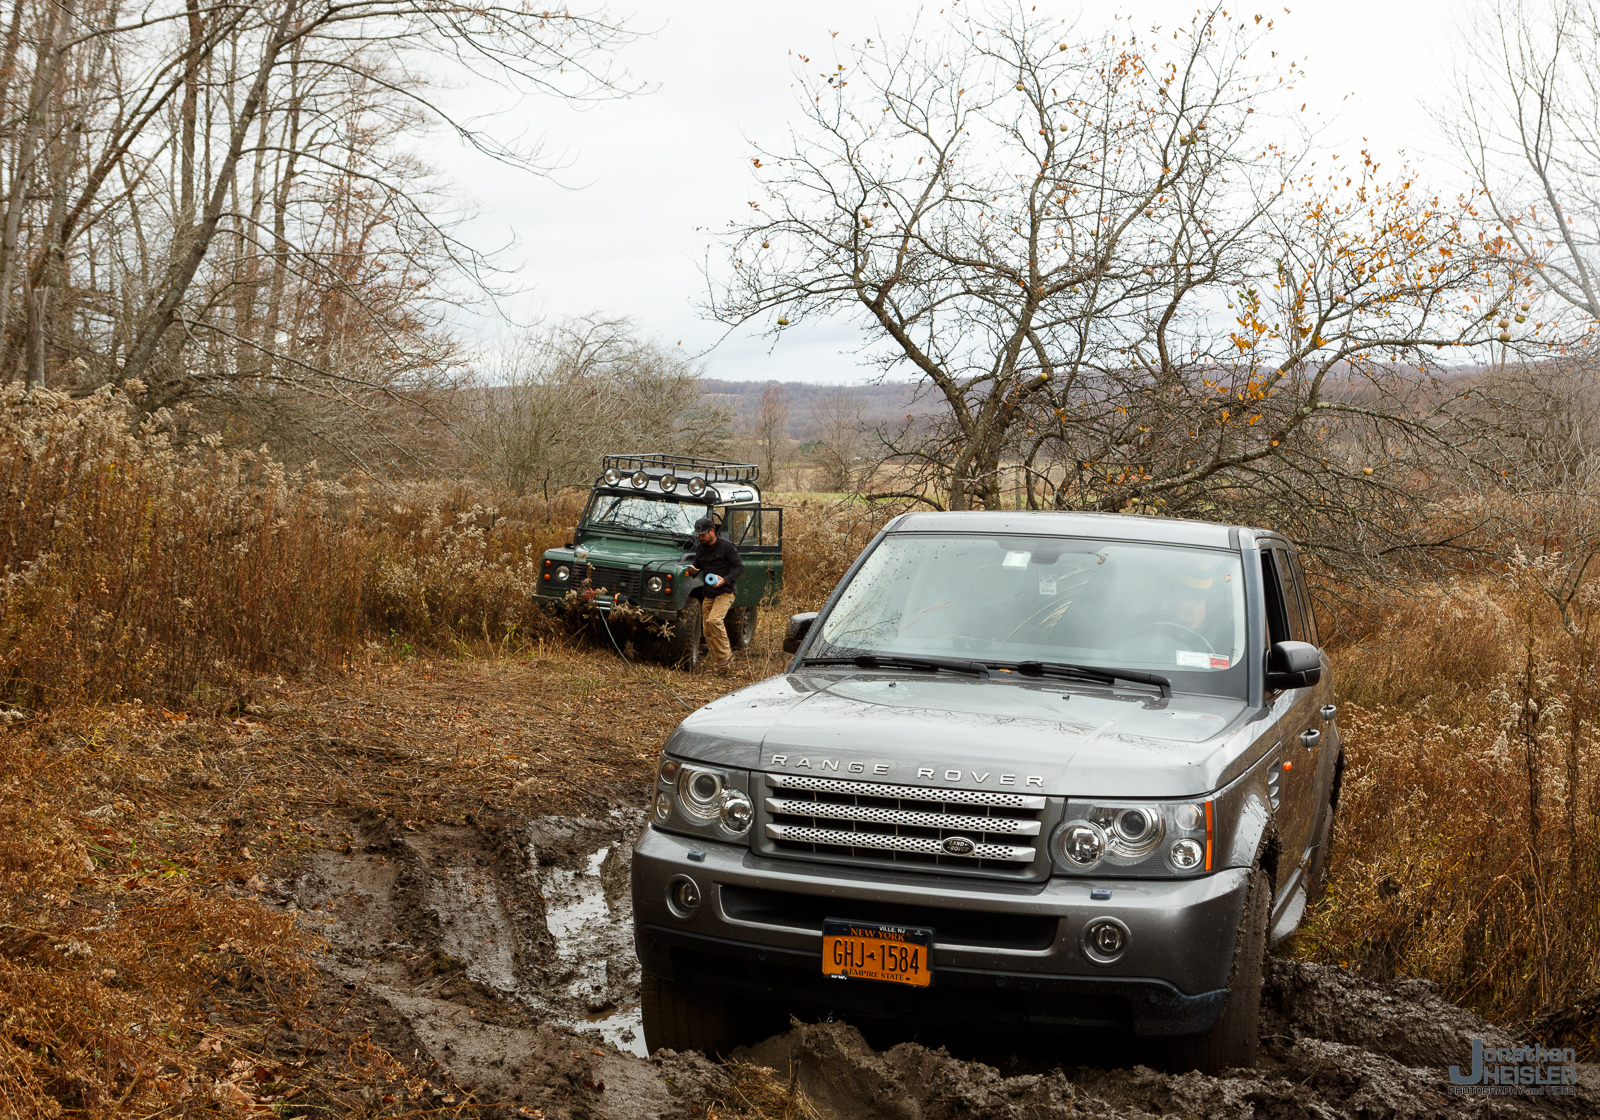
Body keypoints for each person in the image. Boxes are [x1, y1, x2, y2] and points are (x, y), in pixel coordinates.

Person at [685, 516, 744, 671]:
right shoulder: (701, 548)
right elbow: (696, 567)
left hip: (725, 591)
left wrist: (724, 580)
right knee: (707, 629)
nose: (700, 538)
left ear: (712, 531)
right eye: (698, 535)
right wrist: (693, 571)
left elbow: (739, 568)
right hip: (709, 592)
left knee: (714, 621)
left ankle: (726, 654)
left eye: (703, 534)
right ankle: (721, 666)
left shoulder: (727, 547)